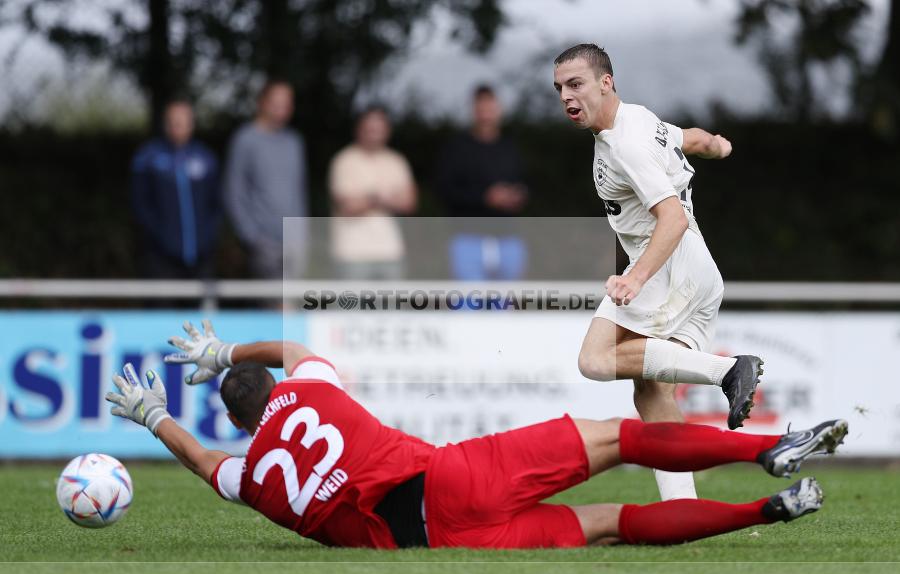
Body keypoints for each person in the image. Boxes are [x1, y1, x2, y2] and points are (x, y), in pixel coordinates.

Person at [104, 320, 848, 549]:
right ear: (274, 393)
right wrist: (224, 354)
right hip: (456, 476)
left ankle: (763, 513)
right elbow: (295, 352)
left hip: (441, 543)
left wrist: (152, 417)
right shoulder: (309, 385)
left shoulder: (251, 479)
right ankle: (763, 452)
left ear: (237, 422)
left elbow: (207, 466)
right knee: (621, 438)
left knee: (611, 524)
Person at [554, 44, 764, 501]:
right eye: (560, 89)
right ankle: (682, 506)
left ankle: (729, 371)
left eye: (576, 84)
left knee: (596, 359)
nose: (567, 97)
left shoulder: (623, 143)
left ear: (605, 82)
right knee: (651, 392)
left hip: (669, 264)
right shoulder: (639, 119)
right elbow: (687, 138)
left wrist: (636, 278)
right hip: (698, 270)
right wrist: (717, 146)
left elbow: (673, 218)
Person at [436, 85, 529, 280]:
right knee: (468, 304)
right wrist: (485, 197)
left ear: (498, 110)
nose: (486, 114)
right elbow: (445, 190)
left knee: (504, 305)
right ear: (473, 110)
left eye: (490, 108)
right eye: (481, 108)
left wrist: (516, 195)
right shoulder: (457, 148)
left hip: (507, 238)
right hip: (468, 238)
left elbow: (525, 183)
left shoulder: (510, 147)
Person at [223, 80, 309, 280]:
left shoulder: (294, 142)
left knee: (294, 305)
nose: (282, 108)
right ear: (262, 102)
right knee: (272, 307)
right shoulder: (245, 139)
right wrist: (250, 236)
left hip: (294, 243)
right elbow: (233, 191)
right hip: (263, 243)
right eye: (276, 102)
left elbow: (299, 191)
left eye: (287, 103)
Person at [130, 100, 221, 279]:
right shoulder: (148, 158)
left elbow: (216, 204)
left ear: (192, 123)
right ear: (165, 123)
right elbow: (140, 203)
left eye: (183, 120)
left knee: (203, 304)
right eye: (173, 121)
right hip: (160, 255)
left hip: (202, 255)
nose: (177, 126)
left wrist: (208, 236)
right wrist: (159, 236)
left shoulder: (206, 158)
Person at [328, 106, 417, 279]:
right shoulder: (343, 161)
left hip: (391, 252)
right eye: (370, 128)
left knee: (392, 306)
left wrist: (367, 199)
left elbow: (409, 203)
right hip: (351, 254)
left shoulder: (397, 161)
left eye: (379, 128)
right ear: (359, 129)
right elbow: (348, 207)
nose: (374, 132)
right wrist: (381, 198)